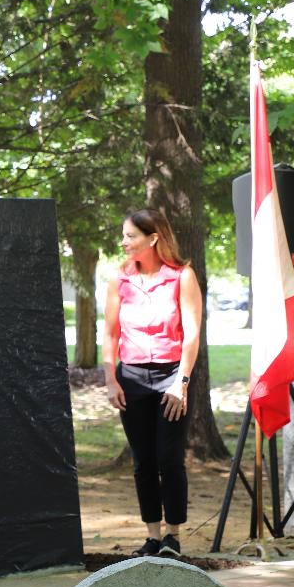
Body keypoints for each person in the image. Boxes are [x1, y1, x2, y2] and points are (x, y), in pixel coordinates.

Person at [101, 209, 202, 558]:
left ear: (153, 237)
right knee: (143, 460)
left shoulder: (181, 277)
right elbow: (111, 333)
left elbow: (191, 335)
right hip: (132, 378)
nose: (124, 242)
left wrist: (181, 382)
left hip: (170, 376)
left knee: (169, 458)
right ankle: (152, 535)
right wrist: (110, 379)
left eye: (131, 236)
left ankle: (173, 536)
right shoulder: (120, 280)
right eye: (125, 235)